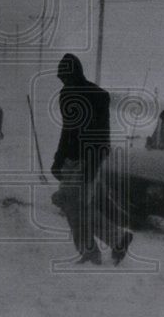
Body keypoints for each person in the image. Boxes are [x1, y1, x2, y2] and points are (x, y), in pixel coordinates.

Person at [50, 53, 132, 265]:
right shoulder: (66, 94)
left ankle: (99, 247)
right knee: (74, 206)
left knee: (74, 204)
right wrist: (59, 159)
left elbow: (101, 135)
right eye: (61, 78)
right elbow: (67, 130)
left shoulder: (96, 96)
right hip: (71, 160)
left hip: (88, 160)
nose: (63, 82)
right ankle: (111, 242)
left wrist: (92, 165)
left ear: (75, 73)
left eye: (66, 77)